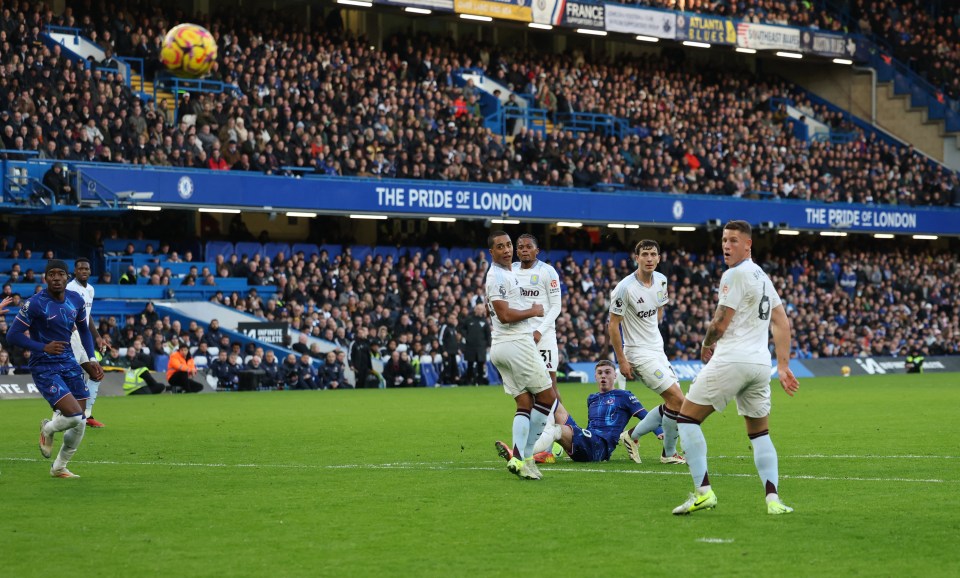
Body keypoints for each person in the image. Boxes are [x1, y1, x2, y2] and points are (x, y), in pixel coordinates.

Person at [672, 221, 800, 516]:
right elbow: (781, 320)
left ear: (748, 245)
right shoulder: (763, 277)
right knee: (760, 434)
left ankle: (703, 492)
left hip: (733, 359)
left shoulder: (734, 274)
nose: (726, 246)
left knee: (687, 419)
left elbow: (720, 322)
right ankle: (773, 500)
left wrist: (706, 342)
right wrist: (782, 366)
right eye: (724, 240)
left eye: (732, 240)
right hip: (759, 365)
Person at [7, 259, 103, 478]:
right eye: (52, 274)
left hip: (68, 361)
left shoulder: (76, 299)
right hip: (43, 365)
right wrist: (43, 347)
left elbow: (84, 330)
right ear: (46, 278)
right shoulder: (35, 303)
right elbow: (13, 335)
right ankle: (48, 428)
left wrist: (91, 358)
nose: (57, 278)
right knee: (74, 416)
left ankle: (59, 467)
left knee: (80, 422)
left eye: (61, 274)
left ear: (67, 278)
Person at [484, 230, 556, 480]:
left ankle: (518, 457)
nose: (506, 250)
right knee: (547, 398)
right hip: (516, 344)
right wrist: (533, 311)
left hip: (501, 346)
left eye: (508, 245)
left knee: (524, 403)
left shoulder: (506, 273)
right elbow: (504, 314)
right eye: (500, 247)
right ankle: (523, 457)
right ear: (491, 252)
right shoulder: (497, 276)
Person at [608, 239, 686, 465]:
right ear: (637, 257)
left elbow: (658, 311)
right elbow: (613, 325)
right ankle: (669, 454)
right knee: (678, 399)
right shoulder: (624, 288)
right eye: (645, 254)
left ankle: (632, 437)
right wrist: (622, 360)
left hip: (657, 350)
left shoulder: (661, 281)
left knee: (675, 403)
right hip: (638, 354)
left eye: (653, 254)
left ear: (659, 258)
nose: (649, 258)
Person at [497, 360, 662, 463]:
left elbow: (645, 416)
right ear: (595, 377)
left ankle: (519, 454)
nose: (603, 376)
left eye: (607, 372)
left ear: (615, 376)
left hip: (600, 448)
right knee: (549, 403)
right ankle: (544, 452)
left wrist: (659, 431)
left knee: (558, 430)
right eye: (600, 373)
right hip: (588, 440)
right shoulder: (592, 398)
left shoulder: (624, 395)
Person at [513, 234, 569, 442]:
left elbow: (556, 306)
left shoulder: (547, 271)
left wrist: (540, 331)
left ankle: (561, 431)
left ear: (537, 251)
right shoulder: (511, 272)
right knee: (525, 391)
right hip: (520, 338)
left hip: (543, 337)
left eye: (528, 246)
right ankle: (537, 436)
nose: (524, 249)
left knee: (549, 386)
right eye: (520, 247)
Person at [67, 257, 106, 427]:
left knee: (96, 374)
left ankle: (86, 415)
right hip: (70, 337)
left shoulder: (90, 289)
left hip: (84, 337)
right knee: (72, 375)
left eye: (86, 269)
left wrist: (97, 336)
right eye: (80, 269)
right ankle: (65, 413)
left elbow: (86, 315)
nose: (84, 271)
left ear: (90, 271)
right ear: (75, 271)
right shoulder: (69, 288)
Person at [459, 303, 491, 385]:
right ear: (475, 309)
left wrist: (488, 345)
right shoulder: (469, 319)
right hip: (470, 346)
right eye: (478, 308)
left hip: (481, 347)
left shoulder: (484, 321)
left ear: (483, 311)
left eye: (481, 309)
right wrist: (466, 336)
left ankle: (480, 381)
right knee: (470, 364)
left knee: (480, 365)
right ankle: (469, 381)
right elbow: (462, 328)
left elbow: (488, 334)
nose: (479, 310)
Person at [438, 313, 460, 385]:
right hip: (447, 352)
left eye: (454, 318)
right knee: (446, 367)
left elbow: (454, 341)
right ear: (448, 319)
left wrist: (457, 349)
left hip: (453, 351)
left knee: (453, 367)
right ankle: (439, 382)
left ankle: (452, 382)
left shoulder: (453, 328)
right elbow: (440, 339)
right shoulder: (445, 327)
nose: (453, 320)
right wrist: (443, 350)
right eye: (451, 318)